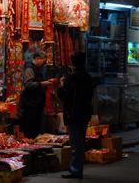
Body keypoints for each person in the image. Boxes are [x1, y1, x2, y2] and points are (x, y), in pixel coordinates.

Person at [58, 51, 94, 179]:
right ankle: (77, 168)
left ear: (73, 63)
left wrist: (61, 85)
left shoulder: (71, 78)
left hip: (73, 114)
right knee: (80, 141)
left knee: (76, 144)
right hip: (84, 113)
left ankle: (76, 170)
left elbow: (63, 95)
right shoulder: (88, 77)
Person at [19, 52, 54, 139]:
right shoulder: (30, 69)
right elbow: (28, 85)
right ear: (37, 59)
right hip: (30, 104)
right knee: (31, 128)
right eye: (43, 61)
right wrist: (43, 83)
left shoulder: (36, 69)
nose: (43, 63)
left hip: (35, 103)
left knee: (35, 127)